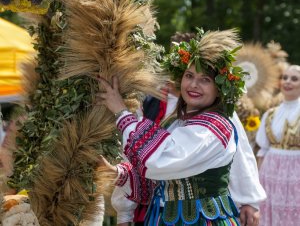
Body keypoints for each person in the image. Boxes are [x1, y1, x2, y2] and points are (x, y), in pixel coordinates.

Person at [96, 29, 266, 225]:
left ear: (219, 89)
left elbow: (162, 159)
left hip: (203, 219)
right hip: (165, 218)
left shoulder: (215, 127)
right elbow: (156, 178)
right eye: (189, 75)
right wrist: (118, 174)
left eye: (205, 80)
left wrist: (121, 111)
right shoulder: (174, 121)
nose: (194, 85)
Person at [256, 64, 300, 226]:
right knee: (269, 211)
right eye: (285, 77)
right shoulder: (270, 114)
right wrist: (257, 181)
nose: (288, 82)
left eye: (294, 79)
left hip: (296, 173)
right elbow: (263, 149)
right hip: (270, 172)